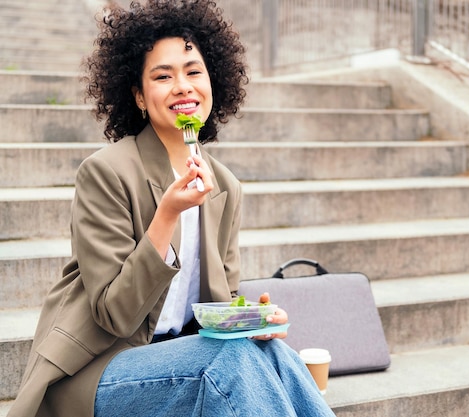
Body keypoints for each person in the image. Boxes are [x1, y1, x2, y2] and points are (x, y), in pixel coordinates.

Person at [8, 1, 336, 416]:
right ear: (140, 97)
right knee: (227, 363)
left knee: (278, 357)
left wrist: (251, 319)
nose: (182, 86)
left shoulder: (226, 187)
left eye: (193, 71)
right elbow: (114, 315)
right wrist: (166, 216)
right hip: (96, 370)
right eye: (163, 76)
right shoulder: (105, 173)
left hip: (180, 358)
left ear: (213, 83)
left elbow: (221, 299)